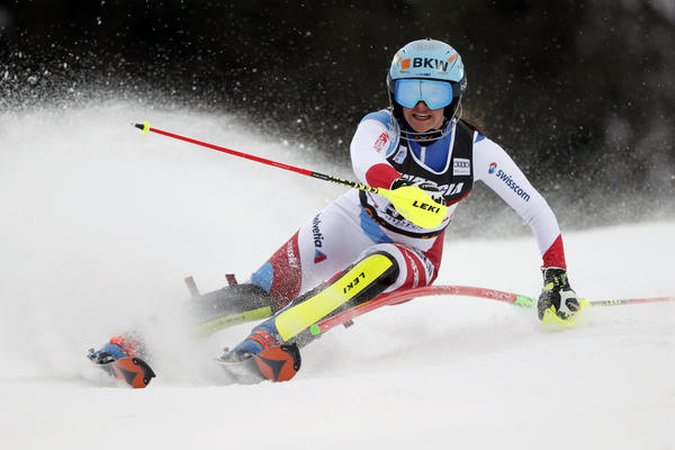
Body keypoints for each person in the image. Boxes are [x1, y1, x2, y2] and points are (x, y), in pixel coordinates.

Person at [90, 38, 579, 379]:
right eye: (410, 93)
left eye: (436, 94)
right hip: (351, 219)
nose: (422, 106)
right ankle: (141, 339)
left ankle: (275, 340)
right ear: (394, 93)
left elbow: (537, 210)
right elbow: (364, 158)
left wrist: (555, 277)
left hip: (413, 256)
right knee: (265, 289)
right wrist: (396, 186)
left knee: (380, 263)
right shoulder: (380, 124)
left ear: (455, 98)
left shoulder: (478, 151)